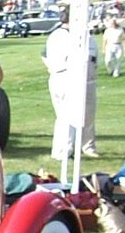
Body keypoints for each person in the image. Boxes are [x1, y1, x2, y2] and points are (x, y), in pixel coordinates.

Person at [41, 9, 98, 159]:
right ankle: (63, 151)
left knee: (83, 115)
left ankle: (83, 146)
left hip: (82, 78)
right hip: (66, 78)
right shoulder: (60, 36)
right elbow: (46, 55)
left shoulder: (83, 35)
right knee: (67, 116)